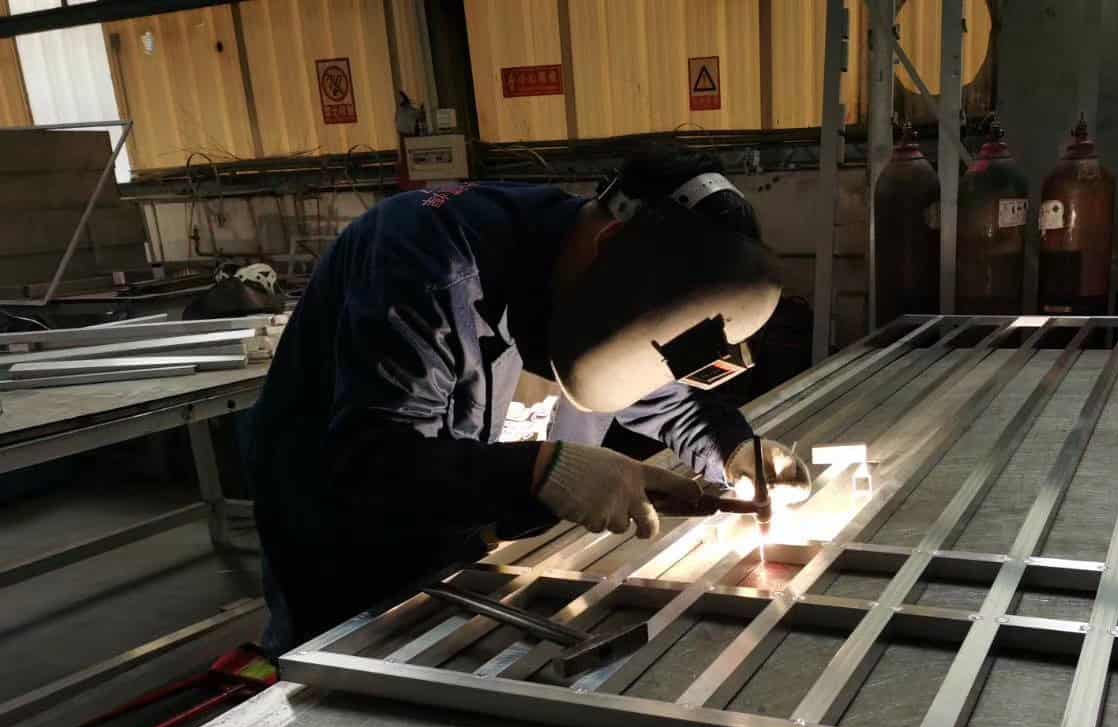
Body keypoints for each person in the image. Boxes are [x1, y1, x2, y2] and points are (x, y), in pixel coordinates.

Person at [247, 146, 810, 659]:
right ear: (609, 245)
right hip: (351, 563)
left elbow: (659, 391)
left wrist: (735, 449)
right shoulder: (426, 254)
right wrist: (543, 470)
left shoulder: (609, 289)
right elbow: (370, 464)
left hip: (469, 555)